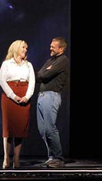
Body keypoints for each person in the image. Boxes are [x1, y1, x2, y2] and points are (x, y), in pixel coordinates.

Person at [0, 40, 35, 169]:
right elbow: (2, 81)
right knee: (8, 129)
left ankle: (17, 158)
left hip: (24, 95)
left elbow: (32, 83)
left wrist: (27, 97)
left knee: (20, 129)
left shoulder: (28, 65)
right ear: (16, 49)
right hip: (10, 97)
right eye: (23, 47)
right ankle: (6, 158)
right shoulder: (6, 64)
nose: (25, 50)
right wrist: (13, 96)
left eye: (26, 48)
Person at [36, 37, 69, 168]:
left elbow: (43, 76)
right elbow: (39, 75)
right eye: (50, 46)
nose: (50, 48)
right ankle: (51, 157)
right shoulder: (50, 60)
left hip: (51, 96)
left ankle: (58, 158)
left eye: (53, 46)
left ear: (61, 48)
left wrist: (45, 72)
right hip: (42, 96)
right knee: (42, 130)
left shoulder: (63, 60)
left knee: (50, 128)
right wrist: (45, 71)